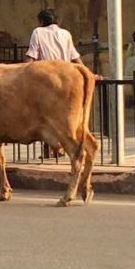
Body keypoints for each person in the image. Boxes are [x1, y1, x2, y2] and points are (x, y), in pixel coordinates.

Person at [25, 9, 82, 159]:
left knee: (45, 116)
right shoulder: (66, 34)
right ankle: (60, 148)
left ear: (41, 21)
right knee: (63, 116)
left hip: (47, 78)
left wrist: (20, 72)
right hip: (66, 78)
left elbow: (32, 55)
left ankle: (53, 149)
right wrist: (87, 72)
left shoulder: (38, 32)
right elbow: (74, 56)